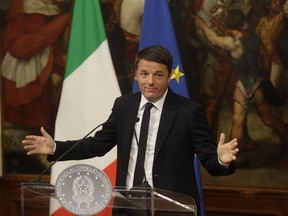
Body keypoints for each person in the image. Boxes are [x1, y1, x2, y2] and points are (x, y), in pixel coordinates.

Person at [22, 45, 239, 216]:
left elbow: (210, 162)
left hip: (172, 209)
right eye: (144, 74)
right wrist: (56, 147)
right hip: (127, 208)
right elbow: (98, 145)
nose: (150, 81)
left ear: (169, 76)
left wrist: (221, 160)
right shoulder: (124, 106)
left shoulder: (188, 112)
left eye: (158, 75)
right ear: (135, 75)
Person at [194, 9, 288, 151]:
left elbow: (213, 39)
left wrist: (203, 26)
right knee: (269, 119)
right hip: (257, 84)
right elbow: (266, 59)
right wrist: (264, 76)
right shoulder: (254, 36)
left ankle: (232, 157)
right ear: (243, 24)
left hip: (243, 87)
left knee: (237, 122)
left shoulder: (233, 43)